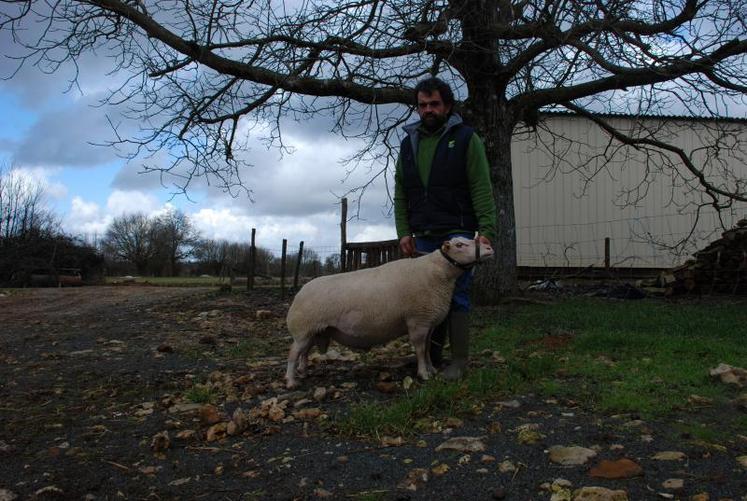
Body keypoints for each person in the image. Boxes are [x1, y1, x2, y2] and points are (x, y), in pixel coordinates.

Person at [394, 77, 497, 380]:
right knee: (428, 300)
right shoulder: (408, 143)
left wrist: (486, 227)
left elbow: (481, 186)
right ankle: (430, 357)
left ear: (447, 106)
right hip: (424, 235)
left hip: (457, 232)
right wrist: (404, 230)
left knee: (457, 296)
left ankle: (460, 361)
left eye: (434, 104)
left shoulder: (466, 138)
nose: (428, 110)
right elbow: (401, 190)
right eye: (423, 105)